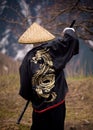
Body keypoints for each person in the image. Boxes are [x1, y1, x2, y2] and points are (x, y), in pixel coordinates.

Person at [18, 22, 79, 130]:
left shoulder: (27, 59)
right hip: (57, 103)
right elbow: (70, 41)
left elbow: (25, 88)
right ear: (44, 38)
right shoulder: (54, 48)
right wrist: (68, 31)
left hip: (39, 108)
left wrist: (34, 97)